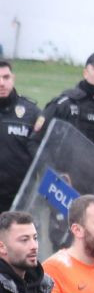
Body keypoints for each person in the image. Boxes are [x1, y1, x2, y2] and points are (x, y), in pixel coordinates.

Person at [30, 52, 94, 221]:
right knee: (64, 242)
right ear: (86, 72)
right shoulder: (65, 103)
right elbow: (35, 143)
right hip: (63, 188)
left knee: (93, 242)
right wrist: (54, 177)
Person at [0, 60, 38, 212]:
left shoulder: (31, 112)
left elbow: (45, 151)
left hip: (19, 198)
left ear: (13, 78)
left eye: (6, 77)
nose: (1, 83)